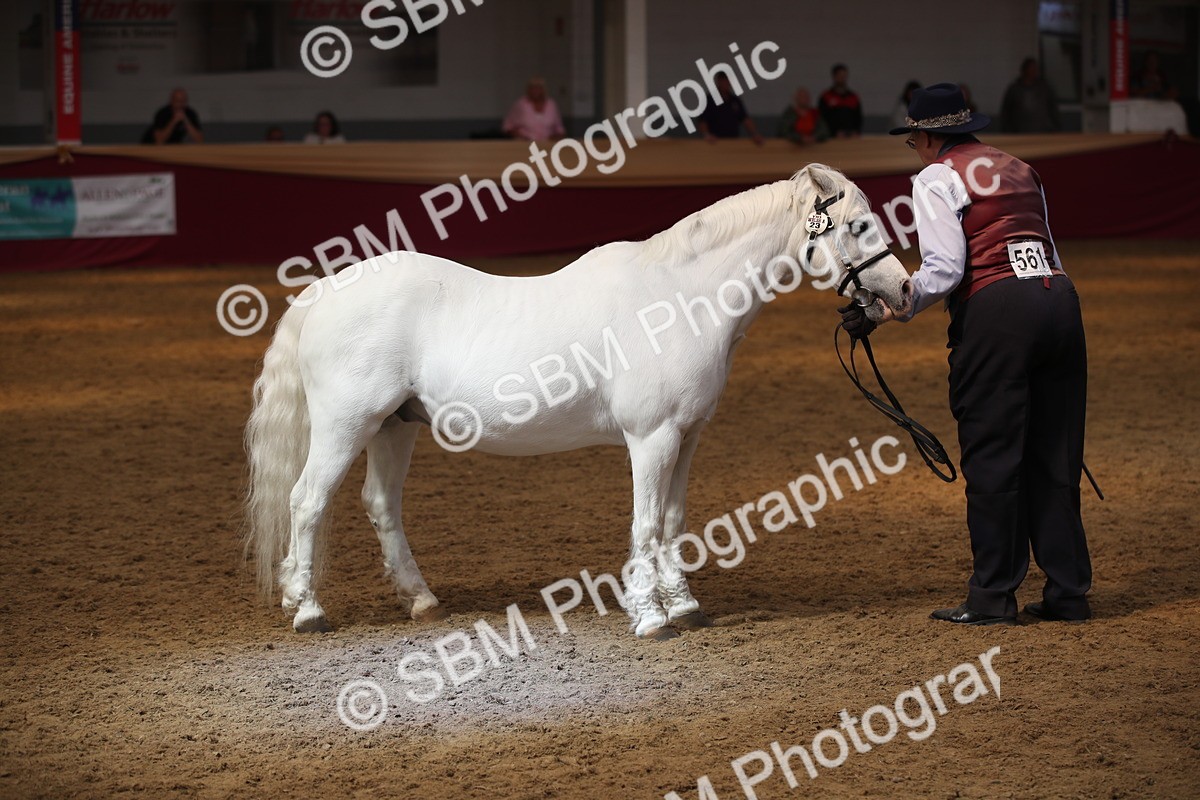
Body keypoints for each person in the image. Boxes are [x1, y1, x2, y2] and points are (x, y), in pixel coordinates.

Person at [842, 83, 1093, 626]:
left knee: (994, 456)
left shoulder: (935, 178)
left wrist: (891, 307)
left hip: (999, 314)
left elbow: (946, 269)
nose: (915, 150)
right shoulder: (1022, 168)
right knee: (1056, 456)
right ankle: (1069, 593)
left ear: (929, 137)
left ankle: (992, 596)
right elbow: (1046, 243)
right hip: (1059, 301)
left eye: (914, 141)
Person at [698, 74, 764, 144]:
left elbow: (745, 119)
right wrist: (706, 135)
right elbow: (702, 121)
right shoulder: (709, 100)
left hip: (733, 141)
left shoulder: (735, 100)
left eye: (728, 81)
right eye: (724, 81)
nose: (726, 83)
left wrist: (755, 134)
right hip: (715, 142)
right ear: (719, 82)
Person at [1000, 58, 1060, 132]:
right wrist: (1007, 130)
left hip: (1042, 131)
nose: (1033, 71)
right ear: (1024, 70)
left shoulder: (1044, 88)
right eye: (1031, 68)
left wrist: (1055, 127)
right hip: (1019, 131)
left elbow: (1053, 108)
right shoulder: (1014, 89)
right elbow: (1006, 112)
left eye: (1035, 69)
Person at [819, 63, 862, 138]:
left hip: (851, 137)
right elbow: (822, 119)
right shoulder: (826, 97)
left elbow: (858, 118)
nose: (842, 78)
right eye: (840, 76)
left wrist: (856, 131)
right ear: (834, 76)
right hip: (832, 138)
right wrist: (834, 132)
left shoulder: (853, 97)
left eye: (844, 76)